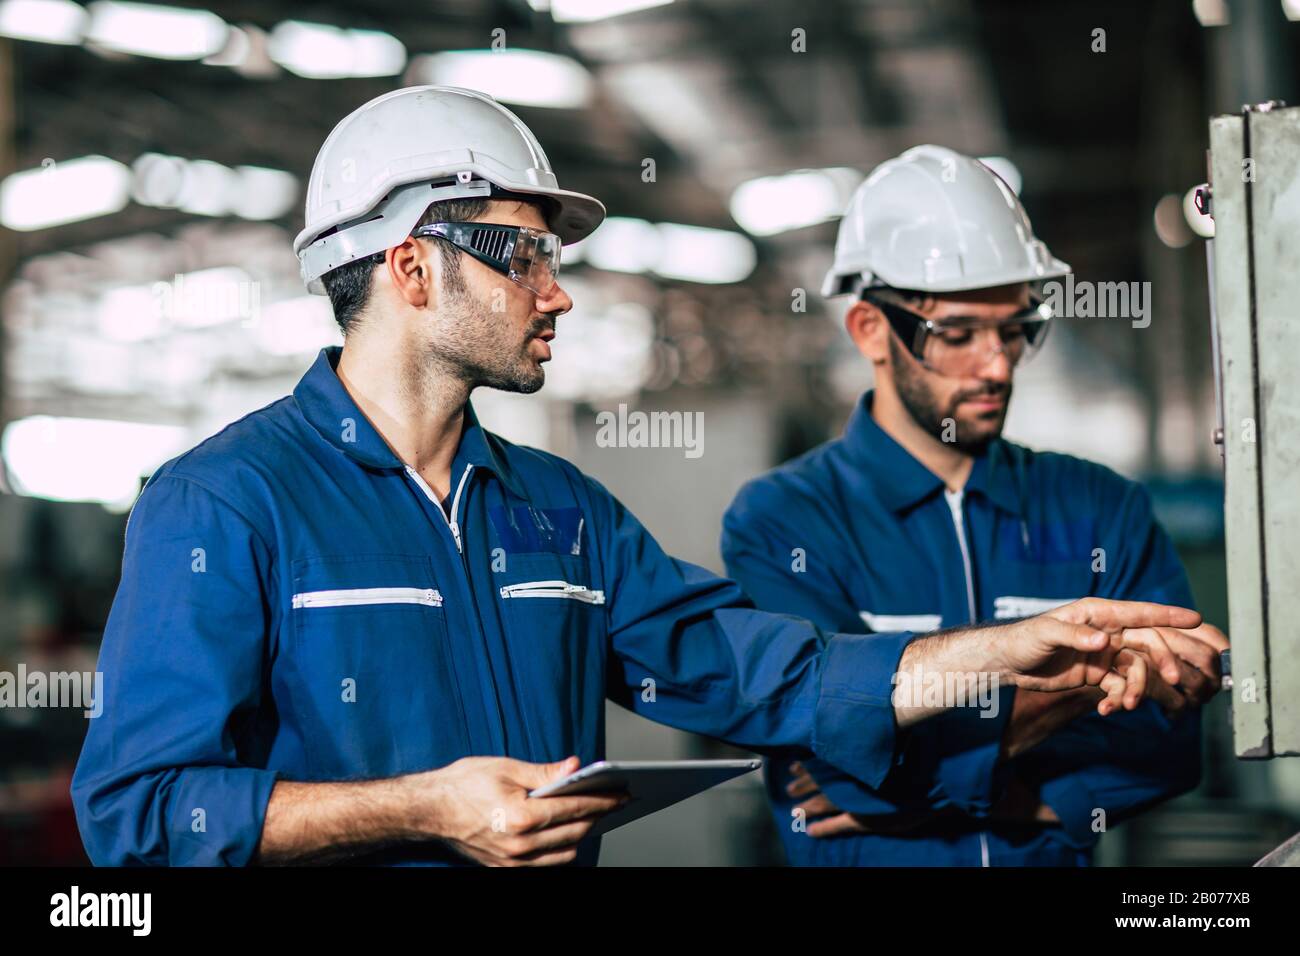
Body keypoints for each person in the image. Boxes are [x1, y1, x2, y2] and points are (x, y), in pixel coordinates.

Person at [72, 96, 1198, 867]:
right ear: (409, 266)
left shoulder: (560, 513)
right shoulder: (223, 503)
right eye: (523, 252)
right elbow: (136, 813)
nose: (555, 292)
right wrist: (422, 808)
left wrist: (996, 648)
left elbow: (761, 672)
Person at [721, 145, 1228, 867]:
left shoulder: (1101, 507)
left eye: (1016, 329)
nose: (997, 364)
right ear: (870, 329)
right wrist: (1085, 690)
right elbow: (828, 765)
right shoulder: (784, 521)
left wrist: (934, 780)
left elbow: (1169, 753)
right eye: (957, 335)